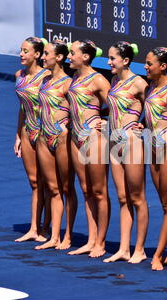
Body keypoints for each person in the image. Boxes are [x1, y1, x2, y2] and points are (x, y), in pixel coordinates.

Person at [103, 42, 150, 264]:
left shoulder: (139, 83)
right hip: (114, 141)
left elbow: (157, 110)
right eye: (109, 58)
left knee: (137, 198)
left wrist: (144, 126)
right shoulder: (114, 81)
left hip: (131, 143)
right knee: (122, 198)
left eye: (113, 58)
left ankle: (139, 249)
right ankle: (123, 248)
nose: (109, 62)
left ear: (126, 61)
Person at [136, 47, 167, 271]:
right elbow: (150, 117)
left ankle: (159, 254)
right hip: (153, 150)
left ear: (163, 66)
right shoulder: (149, 88)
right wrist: (141, 124)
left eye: (149, 63)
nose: (145, 66)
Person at [66, 40, 111, 258]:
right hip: (76, 138)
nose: (68, 56)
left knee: (99, 191)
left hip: (94, 139)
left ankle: (101, 242)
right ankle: (91, 239)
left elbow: (117, 107)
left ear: (85, 56)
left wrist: (104, 122)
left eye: (72, 53)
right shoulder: (75, 77)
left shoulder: (99, 80)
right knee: (86, 190)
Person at [34, 39, 78, 250]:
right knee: (52, 188)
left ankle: (68, 235)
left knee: (67, 188)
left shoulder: (69, 83)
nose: (43, 57)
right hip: (44, 137)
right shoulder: (44, 81)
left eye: (47, 54)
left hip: (62, 139)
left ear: (59, 57)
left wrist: (99, 120)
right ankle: (54, 236)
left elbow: (87, 108)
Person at [14, 37, 50, 242]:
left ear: (37, 54)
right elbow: (21, 108)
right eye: (21, 50)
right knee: (35, 182)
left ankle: (47, 227)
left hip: (47, 132)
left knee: (51, 184)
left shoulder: (47, 76)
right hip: (28, 130)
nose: (21, 54)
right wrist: (18, 134)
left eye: (25, 51)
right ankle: (34, 228)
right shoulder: (18, 75)